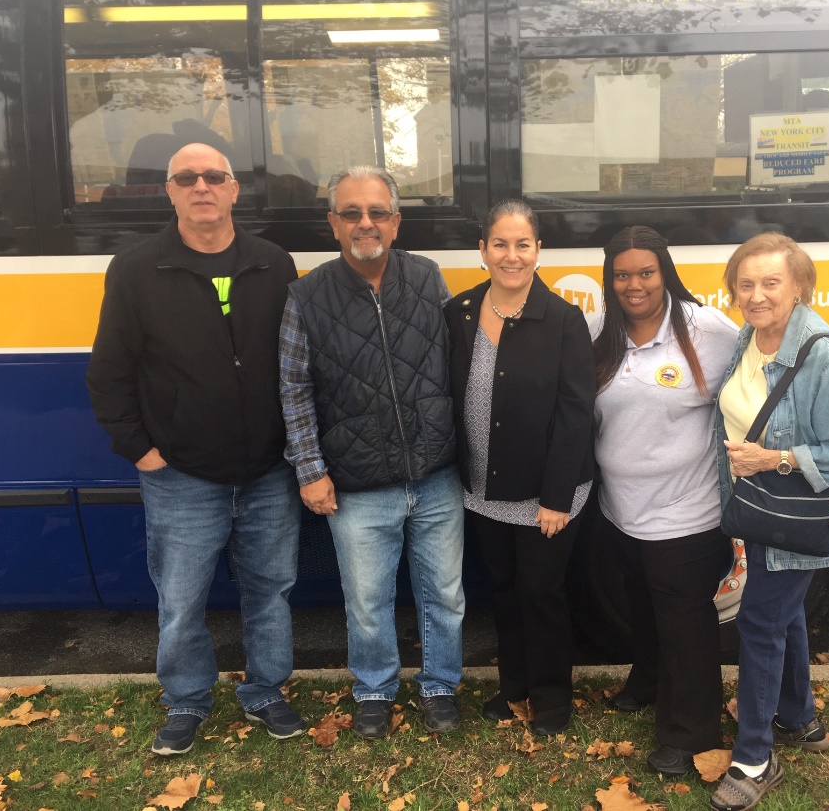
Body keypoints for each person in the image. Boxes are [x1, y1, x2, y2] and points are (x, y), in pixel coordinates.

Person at [86, 142, 305, 756]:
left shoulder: (273, 264)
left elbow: (297, 364)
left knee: (271, 590)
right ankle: (186, 700)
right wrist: (141, 450)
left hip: (267, 471)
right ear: (171, 192)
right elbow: (109, 373)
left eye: (215, 176)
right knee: (181, 600)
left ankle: (265, 691)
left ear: (235, 189)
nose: (201, 185)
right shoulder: (136, 269)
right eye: (187, 177)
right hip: (181, 474)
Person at [279, 166, 465, 739]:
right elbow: (294, 388)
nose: (366, 223)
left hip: (436, 475)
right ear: (333, 223)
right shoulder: (305, 295)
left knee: (446, 595)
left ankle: (439, 686)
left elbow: (460, 367)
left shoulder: (428, 277)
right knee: (365, 600)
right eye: (352, 213)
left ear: (396, 221)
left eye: (378, 212)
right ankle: (375, 690)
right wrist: (311, 471)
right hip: (356, 484)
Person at [711, 232, 829, 811]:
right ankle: (800, 718)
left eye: (771, 283)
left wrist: (776, 459)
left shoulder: (822, 352)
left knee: (760, 622)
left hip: (798, 515)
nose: (756, 294)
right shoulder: (747, 339)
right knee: (783, 615)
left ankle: (754, 757)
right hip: (761, 511)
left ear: (800, 287)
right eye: (746, 283)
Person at [591, 226, 739, 774]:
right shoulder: (597, 329)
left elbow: (750, 393)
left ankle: (692, 732)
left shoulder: (708, 331)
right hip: (620, 509)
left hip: (688, 511)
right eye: (622, 274)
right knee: (643, 607)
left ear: (665, 273)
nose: (635, 285)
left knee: (685, 621)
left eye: (646, 272)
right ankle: (648, 681)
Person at [444, 199, 595, 735]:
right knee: (504, 595)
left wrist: (556, 497)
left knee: (542, 595)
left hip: (544, 497)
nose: (512, 255)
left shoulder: (563, 319)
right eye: (500, 244)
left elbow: (577, 413)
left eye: (523, 244)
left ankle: (552, 700)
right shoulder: (459, 312)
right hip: (483, 490)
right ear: (482, 250)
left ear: (538, 251)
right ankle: (514, 689)